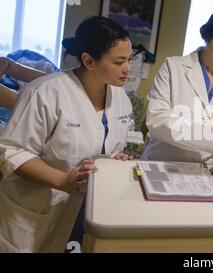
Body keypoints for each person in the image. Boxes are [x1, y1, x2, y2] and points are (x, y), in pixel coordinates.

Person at [0, 16, 133, 252]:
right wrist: (63, 180)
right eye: (119, 61)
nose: (127, 68)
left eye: (129, 59)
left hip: (81, 210)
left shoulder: (121, 99)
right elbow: (11, 151)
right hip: (34, 210)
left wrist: (116, 161)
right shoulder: (45, 92)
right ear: (89, 61)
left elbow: (106, 147)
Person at [141, 8, 213, 178]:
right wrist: (211, 139)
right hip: (163, 169)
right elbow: (157, 120)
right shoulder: (173, 68)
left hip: (211, 177)